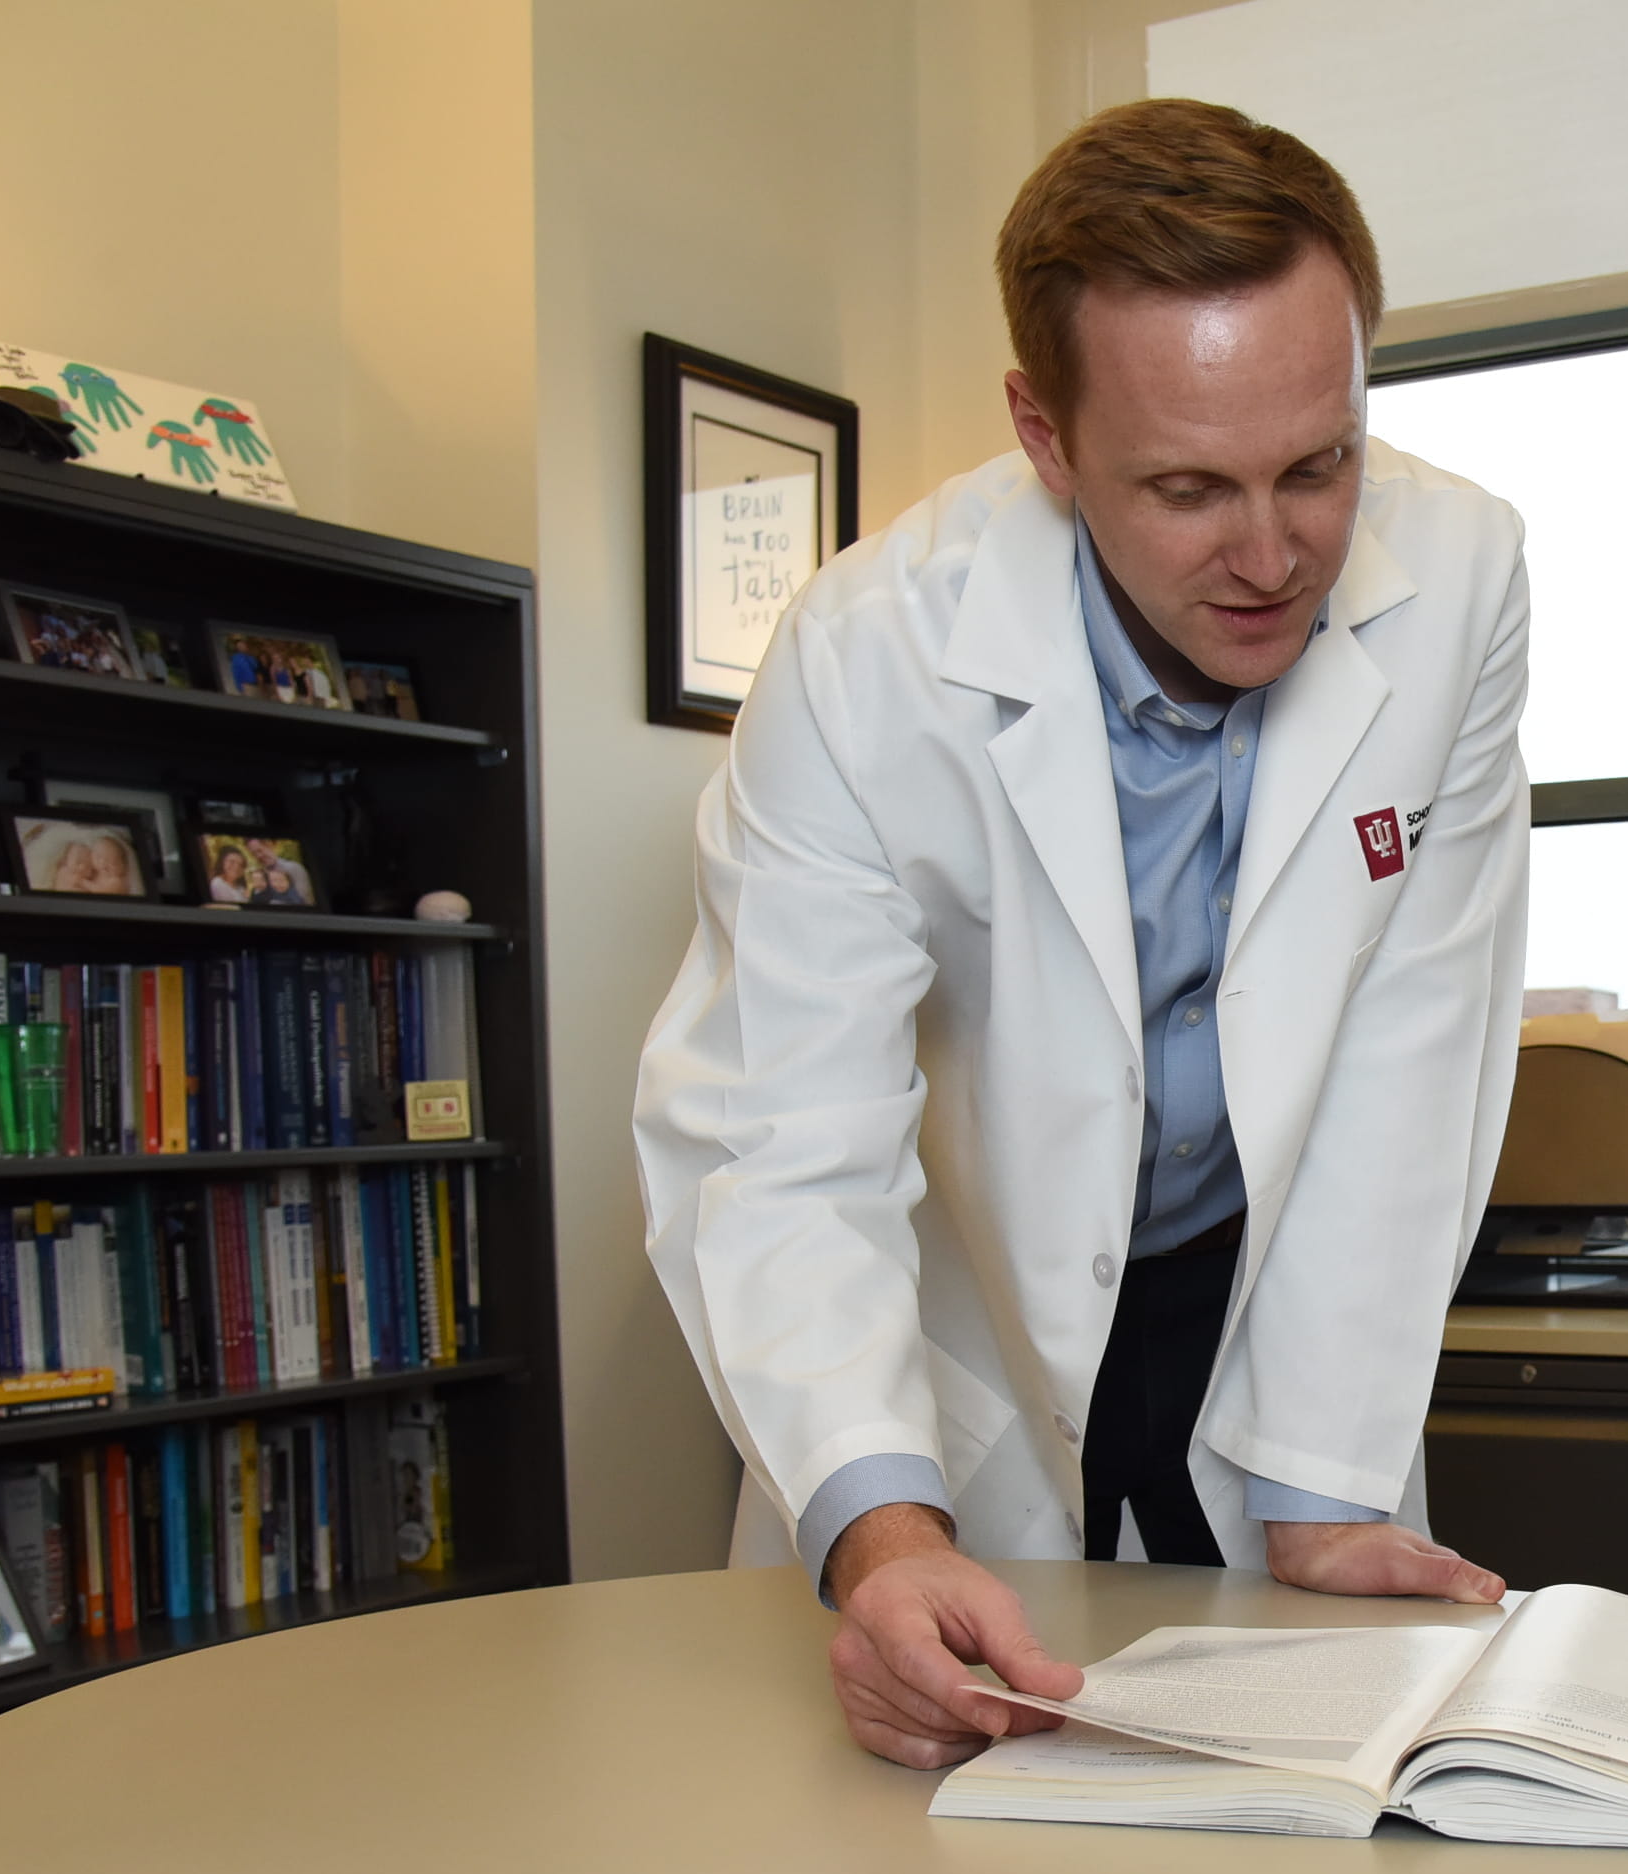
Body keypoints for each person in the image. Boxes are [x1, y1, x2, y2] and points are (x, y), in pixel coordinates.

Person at [635, 100, 1532, 1769]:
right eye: (1190, 487)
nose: (1274, 556)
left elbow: (1415, 1033)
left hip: (1272, 1297)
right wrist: (885, 1532)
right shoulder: (865, 656)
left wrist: (1326, 1482)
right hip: (980, 1313)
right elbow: (778, 1137)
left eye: (1321, 464)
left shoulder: (1464, 572)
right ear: (1045, 437)